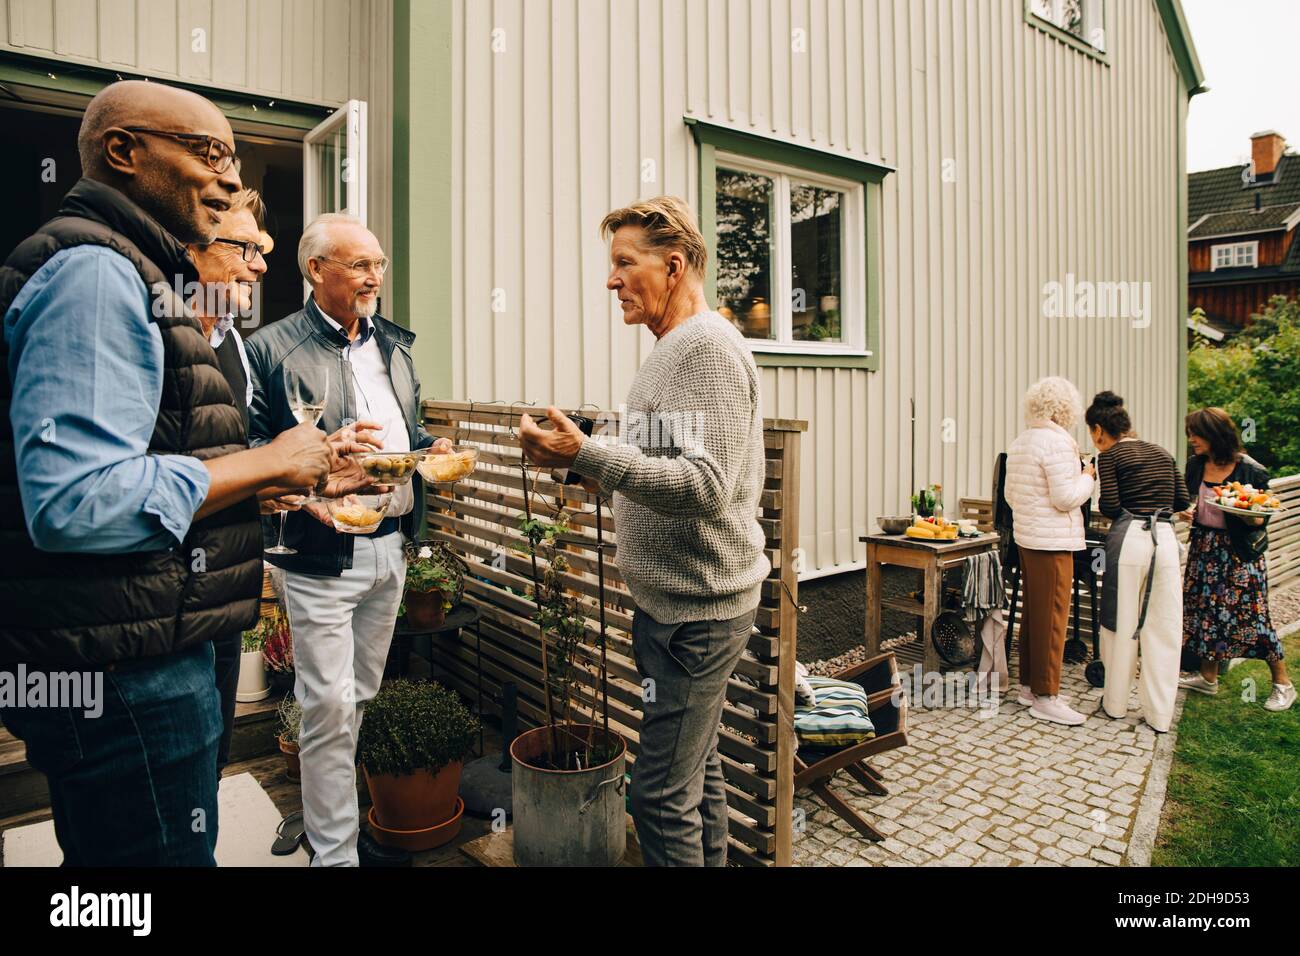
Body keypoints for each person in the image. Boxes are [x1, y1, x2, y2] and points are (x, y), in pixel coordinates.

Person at [0, 80, 331, 866]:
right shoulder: (95, 275)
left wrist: (267, 484)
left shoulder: (130, 275)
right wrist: (270, 459)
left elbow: (155, 463)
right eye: (207, 150)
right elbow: (76, 502)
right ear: (124, 151)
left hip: (137, 648)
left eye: (232, 155)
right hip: (127, 674)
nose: (226, 176)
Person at [519, 196, 769, 867]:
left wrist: (587, 454)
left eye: (624, 263)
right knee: (697, 773)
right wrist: (572, 462)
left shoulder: (705, 349)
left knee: (657, 796)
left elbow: (707, 485)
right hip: (676, 606)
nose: (611, 280)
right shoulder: (673, 350)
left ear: (675, 264)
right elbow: (657, 464)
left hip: (699, 613)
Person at [245, 213, 449, 866]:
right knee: (328, 711)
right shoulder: (270, 349)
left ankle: (331, 827)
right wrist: (310, 481)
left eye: (380, 264)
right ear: (315, 270)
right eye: (360, 264)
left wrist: (429, 449)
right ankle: (336, 858)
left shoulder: (394, 345)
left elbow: (403, 440)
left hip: (390, 550)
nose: (374, 276)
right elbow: (247, 452)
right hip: (316, 556)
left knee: (355, 703)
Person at [1178, 408, 1293, 712]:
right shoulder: (1195, 465)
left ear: (1214, 435)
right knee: (1205, 614)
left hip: (1238, 554)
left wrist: (1253, 519)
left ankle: (1283, 684)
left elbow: (1262, 516)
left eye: (1196, 434)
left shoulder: (1250, 470)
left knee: (1253, 618)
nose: (1191, 440)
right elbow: (1189, 501)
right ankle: (1207, 678)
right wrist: (1186, 512)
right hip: (1204, 549)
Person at [1087, 392, 1188, 732]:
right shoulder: (1162, 451)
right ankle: (1159, 715)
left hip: (1130, 538)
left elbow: (1111, 507)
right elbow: (1182, 500)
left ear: (1099, 429)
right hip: (1166, 541)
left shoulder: (1110, 456)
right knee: (1164, 625)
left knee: (1121, 622)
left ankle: (1115, 704)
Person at [1004, 377, 1095, 726]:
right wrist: (1088, 477)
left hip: (1028, 538)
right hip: (1053, 541)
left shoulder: (1021, 441)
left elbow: (1011, 496)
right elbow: (1066, 498)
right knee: (1054, 617)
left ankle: (1030, 686)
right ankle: (1046, 696)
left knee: (1034, 614)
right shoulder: (1057, 444)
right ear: (1064, 408)